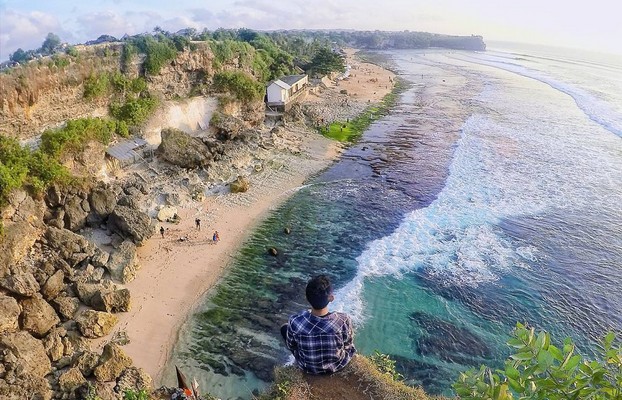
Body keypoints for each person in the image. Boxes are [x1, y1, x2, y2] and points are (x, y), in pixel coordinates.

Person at [281, 275, 356, 375]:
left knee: (284, 328)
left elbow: (292, 345)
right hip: (337, 365)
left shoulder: (295, 321)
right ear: (331, 298)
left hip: (308, 367)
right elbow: (348, 344)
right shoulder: (343, 319)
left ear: (307, 298)